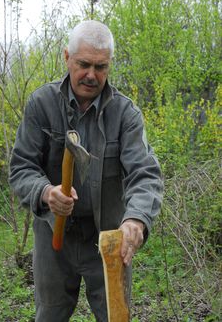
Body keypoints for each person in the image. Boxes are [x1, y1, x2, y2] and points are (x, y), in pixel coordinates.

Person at [9, 20, 163, 322]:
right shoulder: (41, 104)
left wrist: (136, 219)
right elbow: (21, 167)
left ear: (109, 66)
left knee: (115, 316)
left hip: (108, 238)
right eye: (83, 64)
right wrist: (45, 193)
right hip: (54, 239)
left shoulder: (125, 113)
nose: (91, 75)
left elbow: (144, 173)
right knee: (50, 315)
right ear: (67, 58)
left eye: (101, 67)